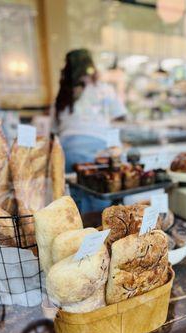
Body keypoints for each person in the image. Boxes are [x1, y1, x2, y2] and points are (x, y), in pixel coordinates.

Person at [53, 49, 127, 212]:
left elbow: (54, 128)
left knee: (75, 200)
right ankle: (98, 235)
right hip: (97, 152)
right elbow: (120, 116)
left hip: (67, 152)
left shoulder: (62, 96)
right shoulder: (103, 89)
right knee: (98, 197)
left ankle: (79, 234)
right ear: (91, 65)